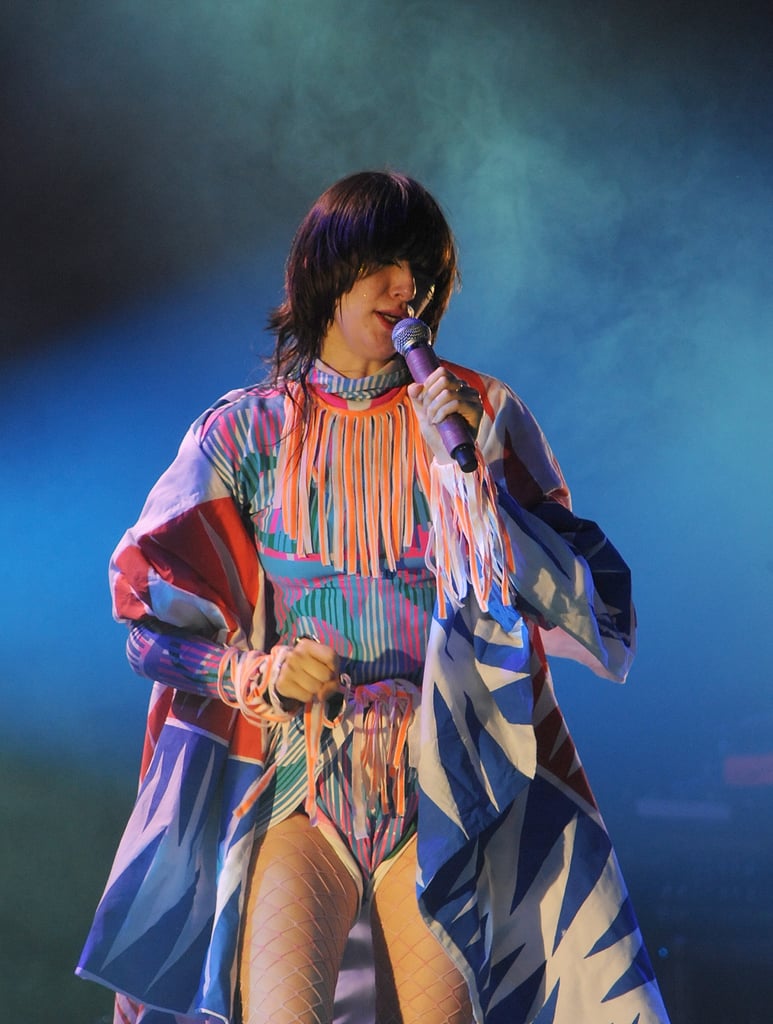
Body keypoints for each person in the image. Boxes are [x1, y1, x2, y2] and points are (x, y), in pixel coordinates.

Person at [77, 171, 670, 1024]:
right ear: (327, 268)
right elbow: (145, 624)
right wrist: (255, 674)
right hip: (299, 780)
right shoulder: (246, 432)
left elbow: (590, 606)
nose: (408, 290)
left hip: (443, 783)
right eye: (387, 265)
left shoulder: (479, 413)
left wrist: (466, 473)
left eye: (421, 272)